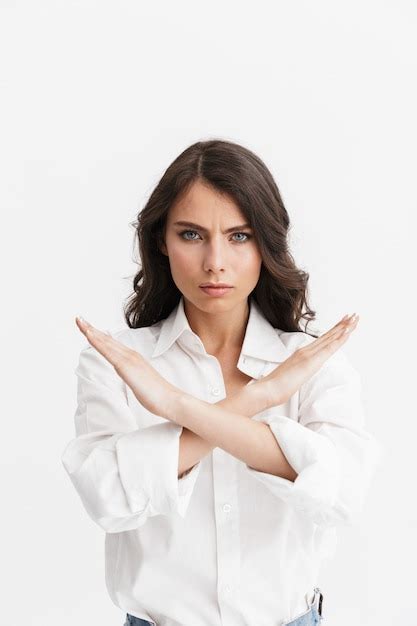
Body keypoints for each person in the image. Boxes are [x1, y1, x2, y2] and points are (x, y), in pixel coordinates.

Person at [61, 139, 383, 626]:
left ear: (266, 243)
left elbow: (339, 494)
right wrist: (257, 401)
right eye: (191, 235)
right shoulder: (118, 362)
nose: (216, 261)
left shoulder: (312, 363)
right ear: (161, 243)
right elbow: (107, 498)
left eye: (239, 236)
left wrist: (177, 406)